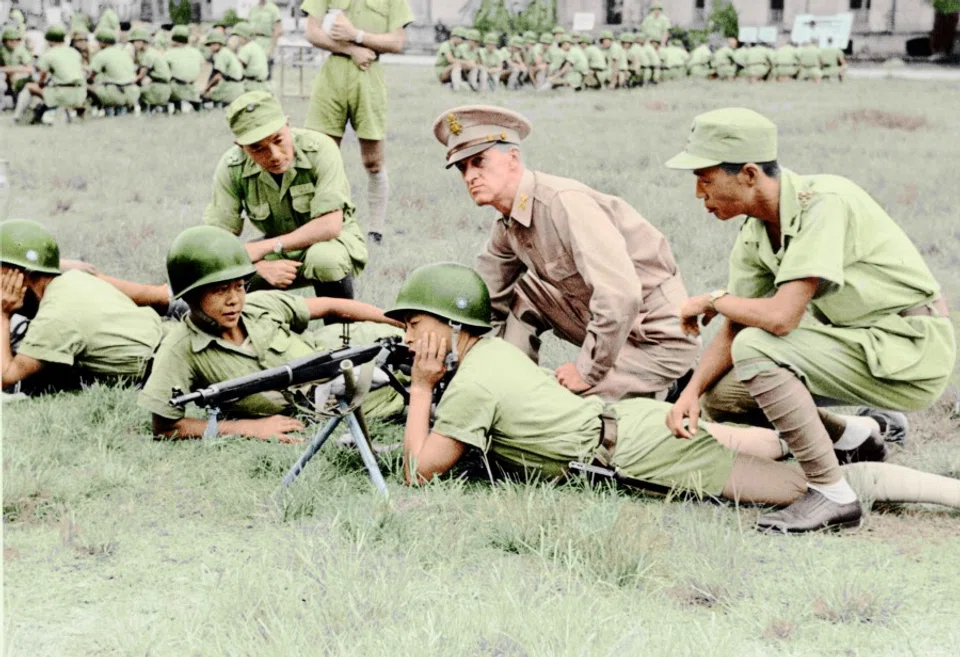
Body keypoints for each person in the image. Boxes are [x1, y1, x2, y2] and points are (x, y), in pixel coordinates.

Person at [389, 263, 960, 525]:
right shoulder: (492, 356)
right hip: (632, 423)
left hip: (635, 448)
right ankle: (859, 433)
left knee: (811, 489)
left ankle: (935, 488)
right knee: (772, 447)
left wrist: (420, 388)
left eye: (415, 324)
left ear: (452, 325)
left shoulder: (474, 381)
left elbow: (419, 470)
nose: (410, 338)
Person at [663, 108, 956, 532]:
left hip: (912, 348)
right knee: (722, 396)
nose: (697, 193)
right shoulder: (756, 231)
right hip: (865, 344)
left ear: (748, 174)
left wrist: (714, 299)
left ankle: (832, 494)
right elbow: (738, 323)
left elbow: (780, 320)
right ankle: (855, 438)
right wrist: (690, 394)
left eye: (705, 179)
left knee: (757, 348)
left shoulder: (824, 202)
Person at [433, 105, 699, 401]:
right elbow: (485, 299)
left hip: (657, 338)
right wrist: (451, 347)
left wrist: (586, 372)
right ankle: (510, 384)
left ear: (513, 158)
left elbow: (620, 296)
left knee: (567, 415)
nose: (470, 176)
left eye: (479, 161)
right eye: (462, 167)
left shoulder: (563, 203)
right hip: (616, 329)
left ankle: (671, 386)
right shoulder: (507, 223)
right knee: (523, 294)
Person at [139, 226, 404, 442]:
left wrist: (398, 321)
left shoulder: (258, 305)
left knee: (415, 341)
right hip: (325, 397)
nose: (234, 300)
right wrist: (247, 428)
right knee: (406, 393)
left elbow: (330, 306)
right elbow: (165, 427)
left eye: (239, 286)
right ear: (191, 295)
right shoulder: (180, 349)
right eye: (220, 290)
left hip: (334, 347)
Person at [203, 91, 366, 301]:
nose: (274, 155)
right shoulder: (231, 167)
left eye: (278, 140)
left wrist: (266, 247)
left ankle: (339, 321)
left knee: (325, 259)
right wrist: (258, 266)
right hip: (276, 253)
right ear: (241, 146)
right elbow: (217, 239)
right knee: (223, 275)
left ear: (287, 124)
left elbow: (330, 225)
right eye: (257, 148)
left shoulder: (320, 148)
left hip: (333, 242)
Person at [1, 220, 170, 395]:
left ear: (22, 275)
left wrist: (3, 314)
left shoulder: (54, 317)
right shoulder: (73, 278)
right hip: (167, 342)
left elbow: (5, 378)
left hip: (163, 371)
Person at [301, 0, 413, 245]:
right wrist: (350, 49)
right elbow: (312, 31)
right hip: (332, 75)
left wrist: (356, 35)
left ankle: (375, 230)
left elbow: (397, 42)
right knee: (320, 156)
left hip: (369, 74)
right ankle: (322, 226)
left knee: (373, 161)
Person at [13, 25, 86, 125]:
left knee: (29, 87)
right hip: (79, 93)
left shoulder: (49, 54)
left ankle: (17, 117)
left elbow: (42, 77)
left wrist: (40, 83)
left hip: (61, 94)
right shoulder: (75, 52)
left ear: (49, 41)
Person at [87, 27, 140, 116]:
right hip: (133, 93)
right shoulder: (124, 53)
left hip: (114, 94)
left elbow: (90, 77)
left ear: (102, 42)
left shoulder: (101, 55)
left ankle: (100, 108)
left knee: (86, 86)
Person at [130, 26, 172, 113]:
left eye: (135, 42)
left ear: (142, 42)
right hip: (163, 88)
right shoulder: (152, 52)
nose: (134, 45)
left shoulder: (148, 55)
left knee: (134, 93)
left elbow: (140, 76)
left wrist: (127, 82)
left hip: (157, 88)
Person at [165, 25, 204, 113]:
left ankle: (176, 110)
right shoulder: (196, 52)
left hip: (176, 89)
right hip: (193, 88)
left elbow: (164, 72)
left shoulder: (169, 53)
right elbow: (201, 66)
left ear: (173, 39)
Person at [201, 31, 245, 107]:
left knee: (204, 97)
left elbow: (217, 77)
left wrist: (206, 89)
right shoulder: (226, 51)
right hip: (237, 86)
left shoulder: (221, 54)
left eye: (213, 44)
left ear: (218, 43)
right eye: (210, 45)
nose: (211, 47)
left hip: (232, 87)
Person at [247, 0, 283, 79]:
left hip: (266, 43)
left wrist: (272, 48)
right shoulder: (253, 9)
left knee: (265, 73)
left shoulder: (273, 9)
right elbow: (248, 26)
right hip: (253, 42)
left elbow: (277, 30)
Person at [231, 22, 270, 92]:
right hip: (263, 85)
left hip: (252, 85)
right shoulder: (256, 46)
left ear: (243, 36)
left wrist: (232, 49)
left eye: (237, 36)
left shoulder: (246, 49)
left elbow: (236, 69)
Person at [1, 26, 33, 107]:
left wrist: (10, 69)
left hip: (18, 76)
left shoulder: (21, 50)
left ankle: (19, 100)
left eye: (17, 40)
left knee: (17, 77)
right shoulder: (2, 51)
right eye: (11, 40)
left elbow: (30, 69)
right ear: (5, 41)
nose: (14, 42)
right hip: (6, 76)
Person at [435, 25, 467, 91]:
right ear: (455, 37)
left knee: (465, 66)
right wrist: (466, 62)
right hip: (442, 71)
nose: (463, 41)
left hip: (451, 70)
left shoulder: (458, 47)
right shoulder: (445, 45)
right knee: (457, 65)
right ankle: (456, 89)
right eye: (462, 38)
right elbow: (451, 60)